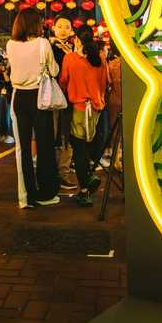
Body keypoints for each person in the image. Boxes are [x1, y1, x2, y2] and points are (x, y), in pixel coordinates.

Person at [6, 7, 60, 208]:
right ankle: (46, 193)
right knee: (45, 146)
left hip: (18, 97)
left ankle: (25, 196)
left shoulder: (10, 45)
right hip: (39, 96)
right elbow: (54, 71)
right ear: (36, 24)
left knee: (23, 149)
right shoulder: (43, 43)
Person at [58, 27, 107, 206]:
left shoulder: (70, 58)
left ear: (77, 40)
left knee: (79, 150)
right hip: (95, 110)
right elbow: (104, 83)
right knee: (89, 147)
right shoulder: (100, 59)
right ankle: (90, 177)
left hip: (78, 109)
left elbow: (63, 81)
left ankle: (85, 190)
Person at [49, 17, 77, 192]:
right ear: (53, 28)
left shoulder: (75, 49)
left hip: (70, 97)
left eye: (67, 27)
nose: (63, 30)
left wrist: (71, 54)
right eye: (60, 27)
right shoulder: (48, 47)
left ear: (72, 30)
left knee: (68, 136)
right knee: (50, 135)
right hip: (52, 97)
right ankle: (51, 172)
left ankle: (64, 173)